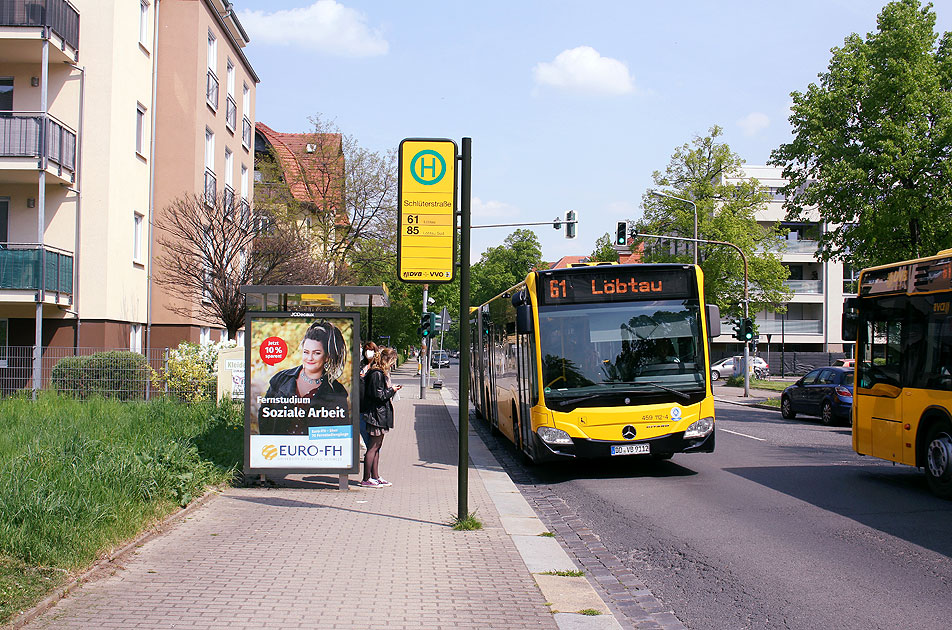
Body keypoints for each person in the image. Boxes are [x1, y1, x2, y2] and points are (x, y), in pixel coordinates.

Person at [258, 320, 349, 435]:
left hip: (316, 451)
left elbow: (340, 431)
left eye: (316, 353)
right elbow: (264, 415)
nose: (309, 358)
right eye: (306, 352)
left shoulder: (337, 391)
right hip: (278, 450)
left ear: (326, 357)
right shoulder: (281, 379)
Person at [361, 347, 400, 488]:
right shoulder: (377, 374)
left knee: (377, 447)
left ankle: (375, 476)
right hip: (376, 415)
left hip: (378, 414)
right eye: (392, 361)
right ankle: (366, 479)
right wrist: (392, 390)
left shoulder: (376, 373)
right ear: (387, 360)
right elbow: (379, 395)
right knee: (373, 447)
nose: (392, 365)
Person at [358, 341, 379, 448]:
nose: (368, 352)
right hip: (361, 404)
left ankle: (372, 453)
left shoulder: (377, 366)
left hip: (373, 406)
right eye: (366, 350)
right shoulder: (361, 365)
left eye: (371, 350)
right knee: (362, 429)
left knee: (373, 434)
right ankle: (370, 451)